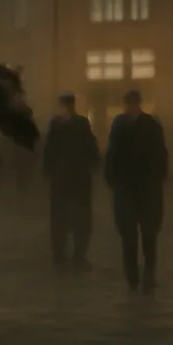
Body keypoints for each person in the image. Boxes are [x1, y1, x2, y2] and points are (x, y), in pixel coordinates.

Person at [104, 89, 168, 294]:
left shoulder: (150, 125)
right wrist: (112, 179)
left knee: (149, 234)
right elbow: (112, 153)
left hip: (146, 187)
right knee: (129, 235)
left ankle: (148, 275)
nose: (129, 108)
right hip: (128, 188)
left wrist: (158, 178)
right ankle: (133, 276)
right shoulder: (121, 125)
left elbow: (160, 154)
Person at [42, 92, 100, 272]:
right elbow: (50, 151)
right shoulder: (66, 124)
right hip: (70, 179)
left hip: (74, 178)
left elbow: (49, 152)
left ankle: (74, 255)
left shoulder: (74, 124)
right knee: (66, 218)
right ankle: (65, 255)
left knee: (75, 218)